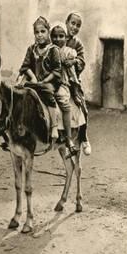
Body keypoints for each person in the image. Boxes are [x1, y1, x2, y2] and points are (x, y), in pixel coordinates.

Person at [17, 17, 77, 156]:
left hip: (50, 82)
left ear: (48, 32)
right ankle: (18, 130)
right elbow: (25, 66)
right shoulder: (31, 49)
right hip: (35, 81)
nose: (39, 35)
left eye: (43, 31)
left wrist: (43, 81)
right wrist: (33, 77)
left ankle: (55, 128)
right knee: (20, 92)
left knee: (47, 92)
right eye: (37, 32)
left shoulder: (53, 50)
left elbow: (56, 70)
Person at [64, 12, 91, 155]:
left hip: (72, 81)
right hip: (57, 77)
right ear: (66, 22)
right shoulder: (58, 36)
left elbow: (82, 61)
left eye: (78, 25)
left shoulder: (77, 43)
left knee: (82, 107)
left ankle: (84, 137)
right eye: (72, 23)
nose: (74, 27)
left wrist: (74, 61)